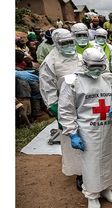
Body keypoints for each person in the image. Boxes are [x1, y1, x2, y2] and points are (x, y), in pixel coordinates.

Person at [58, 48, 112, 208]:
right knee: (91, 162)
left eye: (100, 66)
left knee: (107, 158)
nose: (97, 69)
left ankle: (107, 189)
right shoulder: (72, 81)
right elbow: (66, 109)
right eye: (93, 66)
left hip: (106, 127)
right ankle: (92, 195)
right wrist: (72, 133)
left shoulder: (105, 79)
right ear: (84, 63)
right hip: (87, 129)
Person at [39, 28, 84, 191]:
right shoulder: (50, 63)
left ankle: (92, 168)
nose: (69, 45)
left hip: (85, 106)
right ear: (57, 44)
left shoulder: (79, 58)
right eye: (64, 43)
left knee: (89, 139)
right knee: (72, 144)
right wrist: (59, 113)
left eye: (70, 41)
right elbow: (48, 90)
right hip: (65, 108)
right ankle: (80, 174)